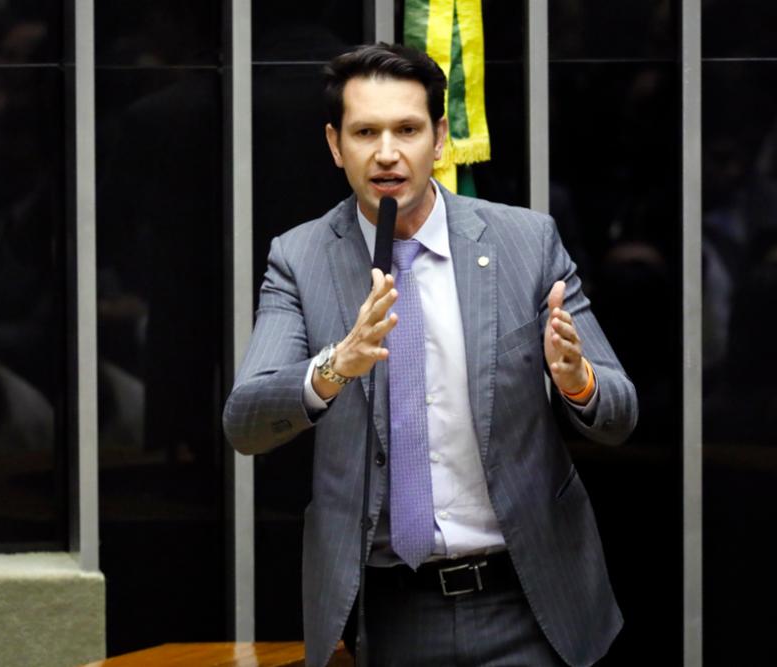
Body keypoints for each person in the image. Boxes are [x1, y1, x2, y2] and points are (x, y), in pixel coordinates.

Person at [224, 43, 638, 667]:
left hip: (529, 600)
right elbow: (247, 423)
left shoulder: (525, 241)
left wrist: (577, 382)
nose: (387, 152)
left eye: (408, 130)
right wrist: (337, 364)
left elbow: (620, 412)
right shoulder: (300, 258)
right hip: (388, 613)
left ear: (440, 139)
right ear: (336, 145)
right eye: (366, 132)